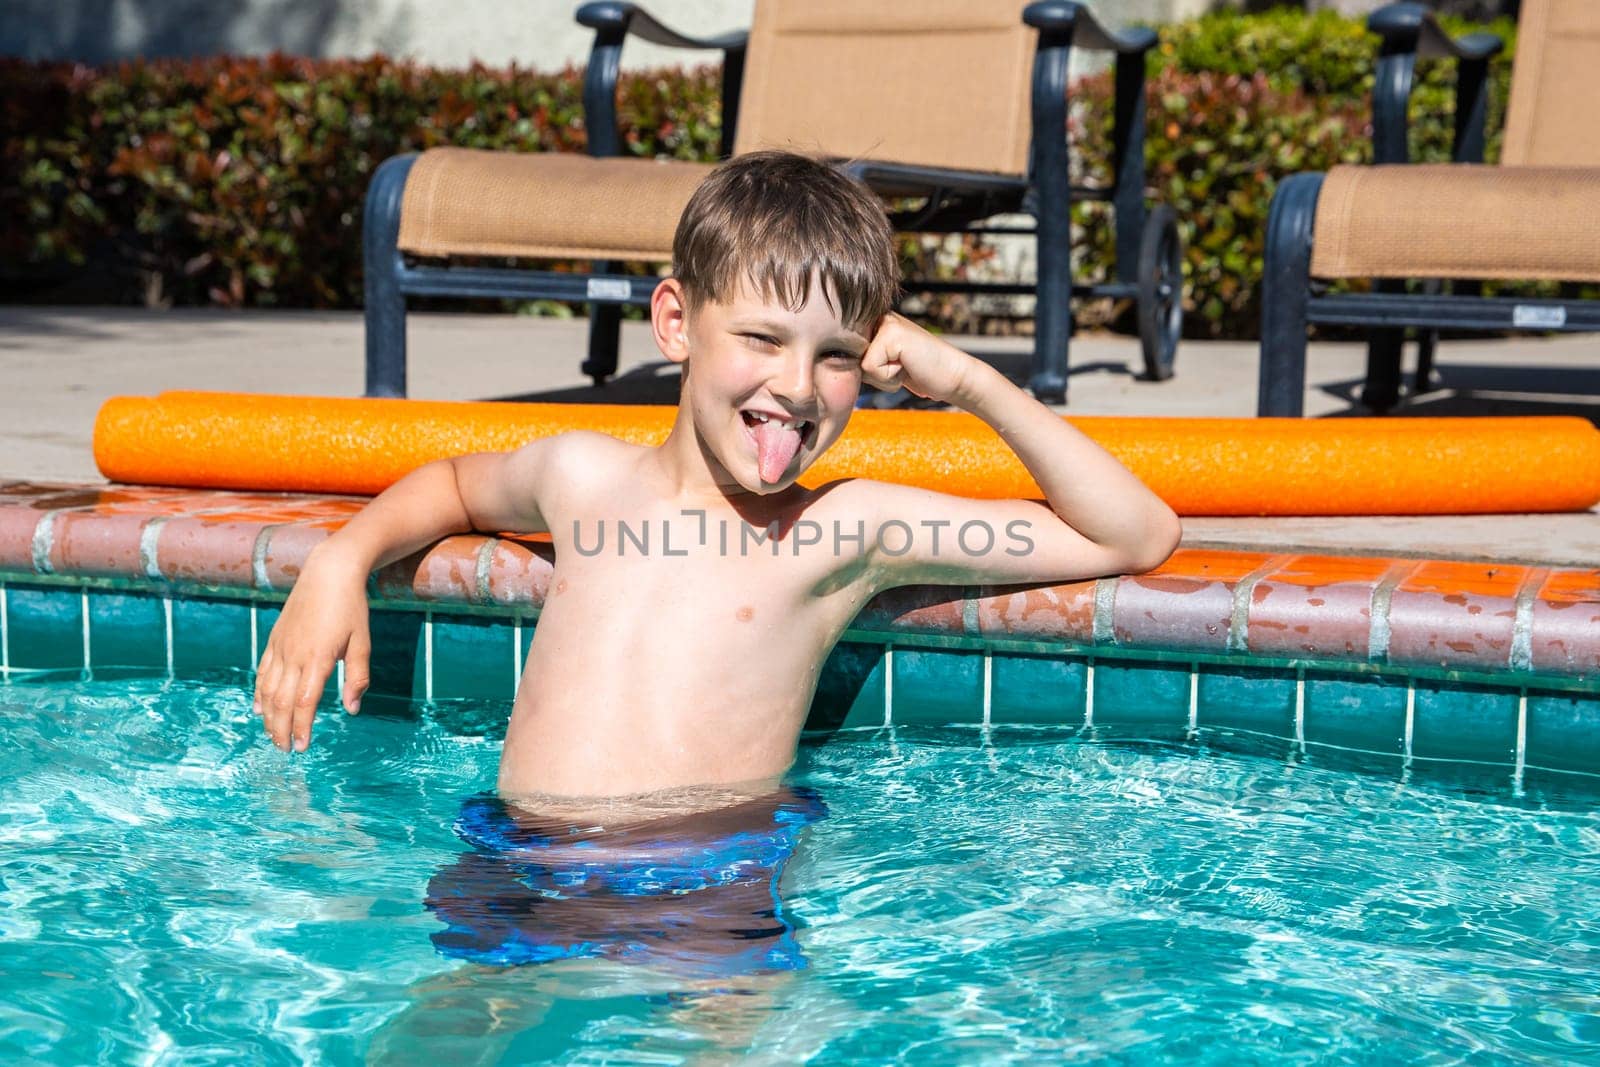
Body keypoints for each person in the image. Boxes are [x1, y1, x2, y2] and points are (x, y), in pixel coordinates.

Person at [252, 149, 1180, 978]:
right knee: (429, 1045)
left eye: (838, 357)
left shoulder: (845, 529)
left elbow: (1132, 534)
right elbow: (453, 485)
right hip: (519, 858)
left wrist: (968, 382)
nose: (796, 385)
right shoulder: (582, 478)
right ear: (676, 322)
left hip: (712, 879)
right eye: (762, 339)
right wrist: (344, 557)